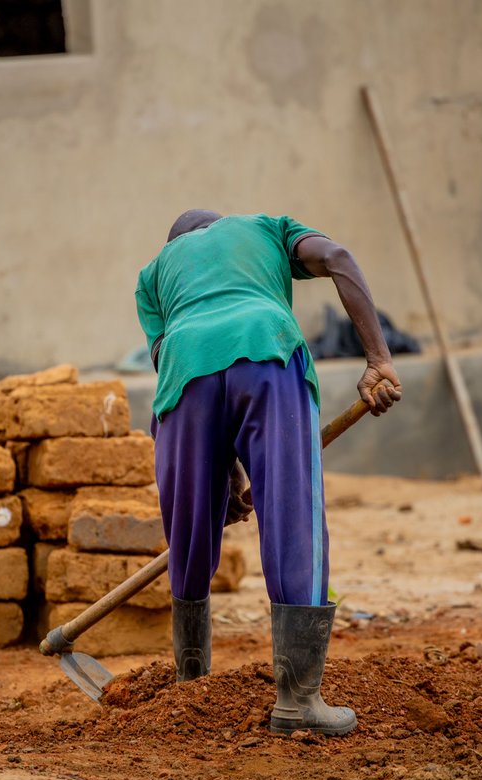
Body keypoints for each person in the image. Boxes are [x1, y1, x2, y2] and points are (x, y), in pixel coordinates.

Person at [134, 209, 403, 736]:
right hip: (266, 350)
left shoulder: (153, 275)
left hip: (183, 372)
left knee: (188, 529)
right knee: (290, 510)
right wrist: (377, 358)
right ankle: (298, 701)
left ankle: (192, 684)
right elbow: (338, 259)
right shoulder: (266, 228)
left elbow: (180, 361)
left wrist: (222, 476)